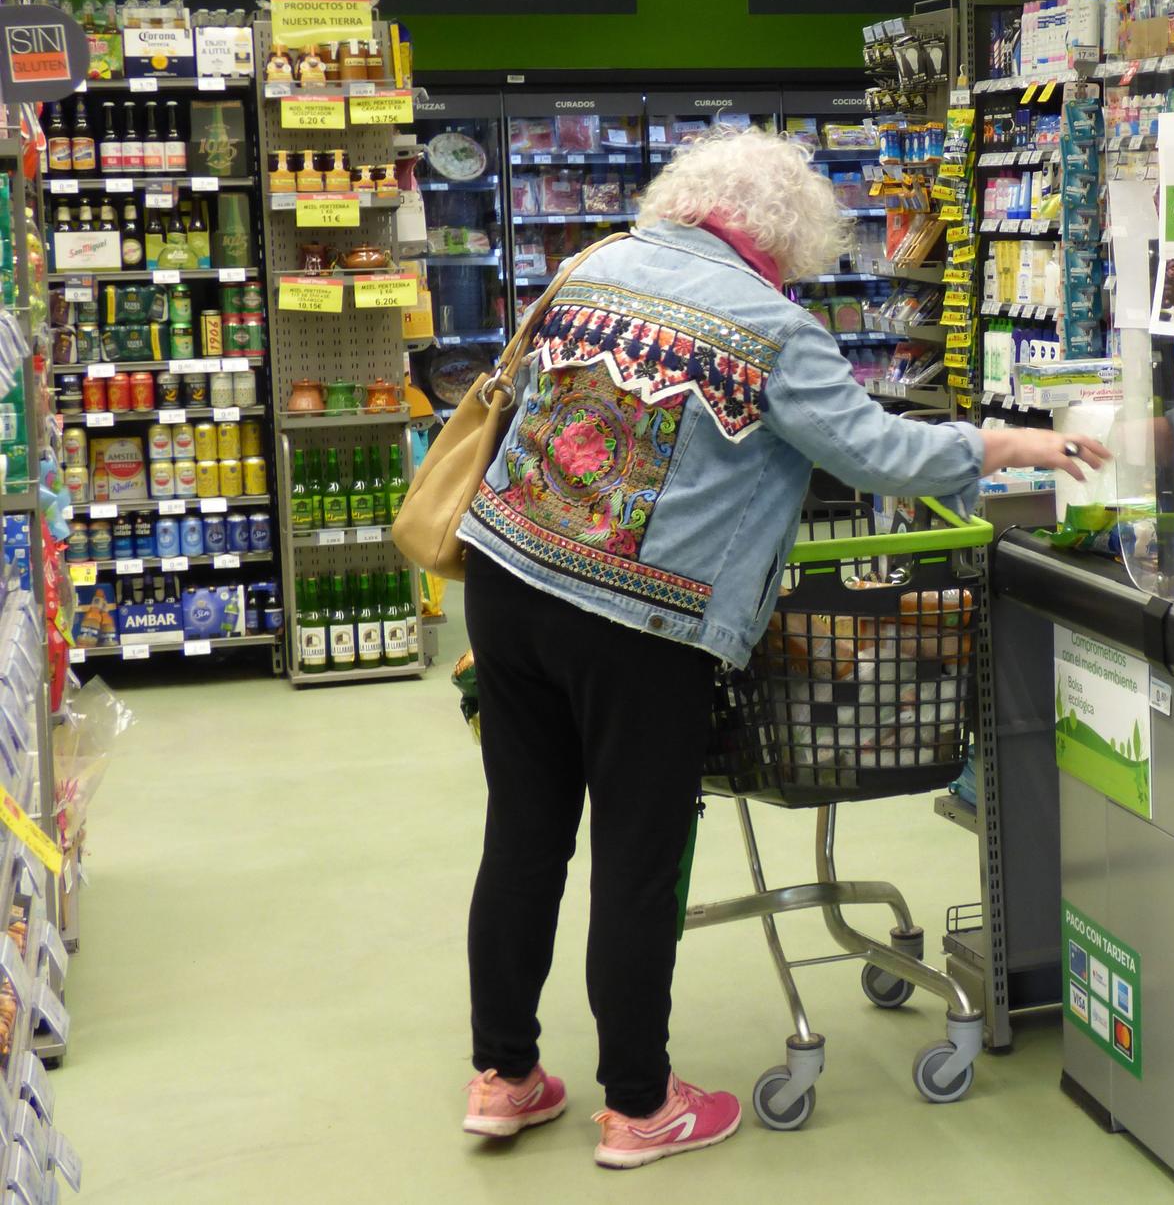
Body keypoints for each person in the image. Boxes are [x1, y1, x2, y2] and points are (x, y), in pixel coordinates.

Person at [454, 128, 1107, 1169]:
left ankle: (503, 1077)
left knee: (524, 837)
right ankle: (637, 1107)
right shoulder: (772, 326)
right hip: (638, 618)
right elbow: (876, 453)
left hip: (506, 577)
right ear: (791, 234)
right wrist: (1003, 442)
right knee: (636, 856)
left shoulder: (597, 262)